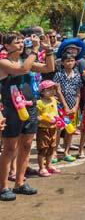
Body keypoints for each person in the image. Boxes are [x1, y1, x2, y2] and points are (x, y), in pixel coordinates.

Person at [0, 32, 53, 201]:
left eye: (22, 41)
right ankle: (3, 187)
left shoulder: (26, 60)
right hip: (12, 109)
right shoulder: (4, 62)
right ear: (7, 46)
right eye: (17, 42)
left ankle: (20, 183)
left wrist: (49, 50)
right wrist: (35, 50)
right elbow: (23, 70)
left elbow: (48, 68)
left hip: (30, 108)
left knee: (27, 145)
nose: (21, 44)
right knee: (9, 148)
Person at [52, 52, 82, 162]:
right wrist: (65, 106)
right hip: (60, 106)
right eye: (67, 61)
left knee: (70, 130)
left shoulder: (77, 75)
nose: (70, 63)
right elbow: (58, 91)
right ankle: (54, 153)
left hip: (73, 106)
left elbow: (78, 93)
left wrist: (75, 107)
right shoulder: (59, 75)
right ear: (63, 63)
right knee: (58, 130)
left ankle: (66, 152)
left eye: (72, 60)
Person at [35, 80, 61, 177]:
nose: (52, 91)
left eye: (53, 88)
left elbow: (56, 112)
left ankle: (49, 165)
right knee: (43, 148)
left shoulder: (53, 100)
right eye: (49, 89)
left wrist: (58, 122)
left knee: (52, 147)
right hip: (43, 128)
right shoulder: (39, 103)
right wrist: (44, 120)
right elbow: (37, 117)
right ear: (42, 92)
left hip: (53, 128)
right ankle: (41, 167)